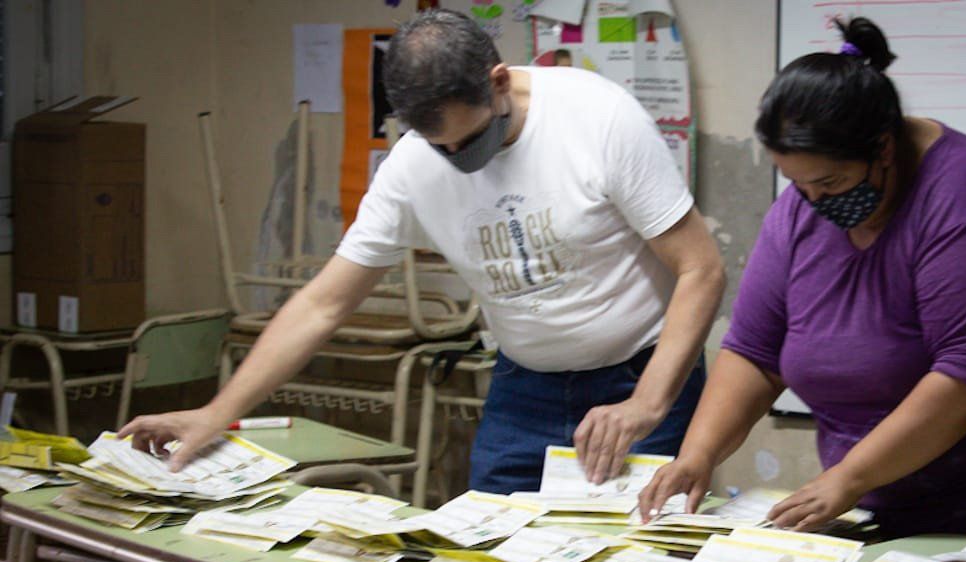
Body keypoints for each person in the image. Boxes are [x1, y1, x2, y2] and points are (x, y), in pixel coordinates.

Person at [120, 9, 724, 494]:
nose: (461, 157)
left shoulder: (598, 118)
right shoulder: (413, 166)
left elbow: (701, 268)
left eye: (473, 138)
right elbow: (323, 306)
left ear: (497, 80)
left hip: (638, 377)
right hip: (523, 385)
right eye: (442, 146)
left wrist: (647, 402)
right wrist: (215, 412)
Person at [638, 17, 966, 538]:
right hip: (894, 477)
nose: (812, 202)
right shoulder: (802, 211)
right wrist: (696, 455)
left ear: (883, 148)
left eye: (830, 182)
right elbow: (755, 350)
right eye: (796, 183)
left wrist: (849, 477)